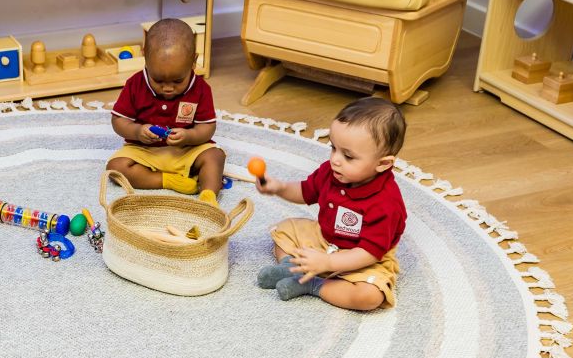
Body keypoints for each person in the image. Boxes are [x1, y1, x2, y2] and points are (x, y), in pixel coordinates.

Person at [255, 97, 407, 311]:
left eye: (348, 156)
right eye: (334, 148)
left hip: (362, 256)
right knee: (284, 230)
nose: (335, 159)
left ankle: (314, 284)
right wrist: (279, 187)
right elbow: (305, 192)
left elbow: (369, 252)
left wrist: (327, 264)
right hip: (324, 238)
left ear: (383, 164)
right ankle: (293, 268)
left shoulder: (386, 203)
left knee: (369, 297)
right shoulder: (331, 171)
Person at [106, 18, 226, 206]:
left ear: (193, 62)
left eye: (178, 81)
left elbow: (207, 127)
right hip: (144, 151)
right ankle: (168, 180)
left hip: (186, 150)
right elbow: (118, 121)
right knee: (115, 168)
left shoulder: (201, 88)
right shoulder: (135, 85)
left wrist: (189, 135)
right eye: (158, 80)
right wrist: (138, 132)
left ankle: (208, 198)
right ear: (145, 59)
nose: (168, 88)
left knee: (215, 156)